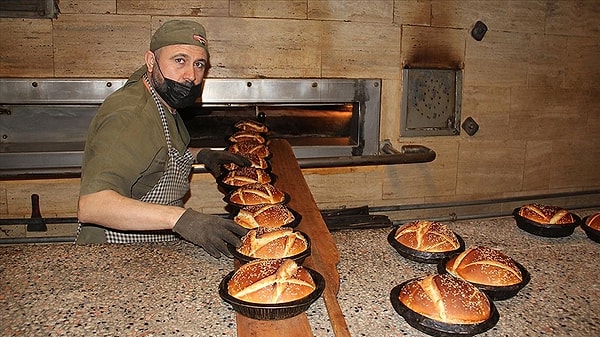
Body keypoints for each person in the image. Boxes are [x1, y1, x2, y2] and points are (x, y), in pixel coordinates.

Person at [76, 20, 249, 258]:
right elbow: (92, 205)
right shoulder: (131, 115)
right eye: (179, 60)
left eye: (199, 64)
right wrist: (180, 218)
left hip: (150, 246)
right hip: (116, 253)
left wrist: (202, 155)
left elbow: (158, 153)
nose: (190, 75)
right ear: (151, 61)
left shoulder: (163, 99)